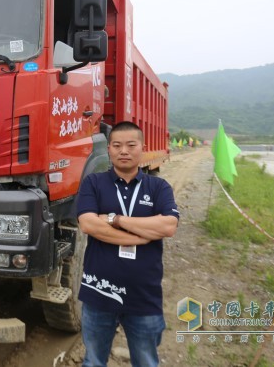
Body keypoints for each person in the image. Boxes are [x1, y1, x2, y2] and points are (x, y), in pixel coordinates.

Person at [76, 121, 180, 367]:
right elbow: (89, 224)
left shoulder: (158, 187)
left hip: (143, 295)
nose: (124, 151)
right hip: (98, 292)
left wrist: (116, 219)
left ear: (142, 148)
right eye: (117, 145)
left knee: (146, 361)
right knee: (93, 361)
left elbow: (168, 226)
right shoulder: (93, 183)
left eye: (131, 145)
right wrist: (142, 235)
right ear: (109, 149)